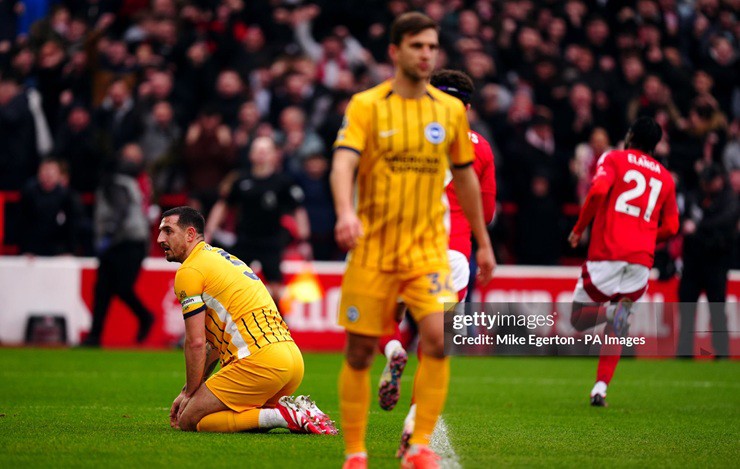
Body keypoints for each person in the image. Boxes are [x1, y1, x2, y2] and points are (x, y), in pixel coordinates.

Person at [330, 13, 495, 469]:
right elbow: (343, 162)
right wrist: (345, 211)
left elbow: (465, 180)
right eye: (417, 46)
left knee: (439, 341)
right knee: (360, 351)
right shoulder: (366, 105)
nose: (425, 54)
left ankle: (418, 446)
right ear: (395, 51)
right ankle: (356, 454)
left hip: (428, 250)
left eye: (432, 47)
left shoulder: (448, 113)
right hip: (375, 247)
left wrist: (482, 241)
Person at [374, 68, 497, 458]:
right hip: (455, 255)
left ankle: (393, 349)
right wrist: (483, 245)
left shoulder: (408, 131)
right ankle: (413, 424)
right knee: (434, 345)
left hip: (408, 243)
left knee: (382, 316)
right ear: (469, 107)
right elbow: (488, 210)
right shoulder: (480, 147)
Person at [157, 206, 336, 435]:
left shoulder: (190, 271)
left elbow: (196, 343)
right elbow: (212, 346)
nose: (160, 238)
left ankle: (282, 415)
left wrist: (190, 394)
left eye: (168, 231)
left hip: (259, 362)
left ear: (190, 234)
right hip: (291, 361)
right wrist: (188, 390)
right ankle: (290, 413)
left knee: (190, 419)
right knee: (239, 419)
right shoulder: (223, 259)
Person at [567, 116, 679, 407]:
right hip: (641, 262)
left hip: (607, 254)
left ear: (630, 136)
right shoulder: (665, 177)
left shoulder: (614, 158)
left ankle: (608, 327)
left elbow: (598, 192)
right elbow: (673, 227)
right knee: (618, 324)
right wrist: (645, 237)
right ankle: (600, 388)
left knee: (578, 319)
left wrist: (579, 229)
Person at [205, 136, 311, 301]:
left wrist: (304, 239)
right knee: (234, 283)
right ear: (251, 154)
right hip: (245, 239)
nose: (261, 154)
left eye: (266, 150)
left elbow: (298, 210)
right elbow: (223, 205)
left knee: (276, 289)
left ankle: (277, 322)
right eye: (257, 150)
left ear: (273, 155)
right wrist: (209, 230)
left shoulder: (283, 182)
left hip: (271, 241)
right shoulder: (241, 180)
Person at [82, 144, 155, 347]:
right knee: (103, 289)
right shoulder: (126, 181)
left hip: (126, 242)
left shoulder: (112, 182)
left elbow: (120, 210)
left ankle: (144, 317)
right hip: (127, 242)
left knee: (117, 287)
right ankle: (95, 336)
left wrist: (108, 236)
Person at [677, 164, 739, 358]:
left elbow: (724, 224)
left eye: (709, 182)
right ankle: (684, 351)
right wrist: (697, 229)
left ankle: (721, 351)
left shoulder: (729, 200)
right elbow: (683, 221)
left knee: (717, 310)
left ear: (719, 180)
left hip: (716, 263)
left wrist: (697, 228)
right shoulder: (694, 196)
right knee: (687, 309)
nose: (706, 185)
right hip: (693, 263)